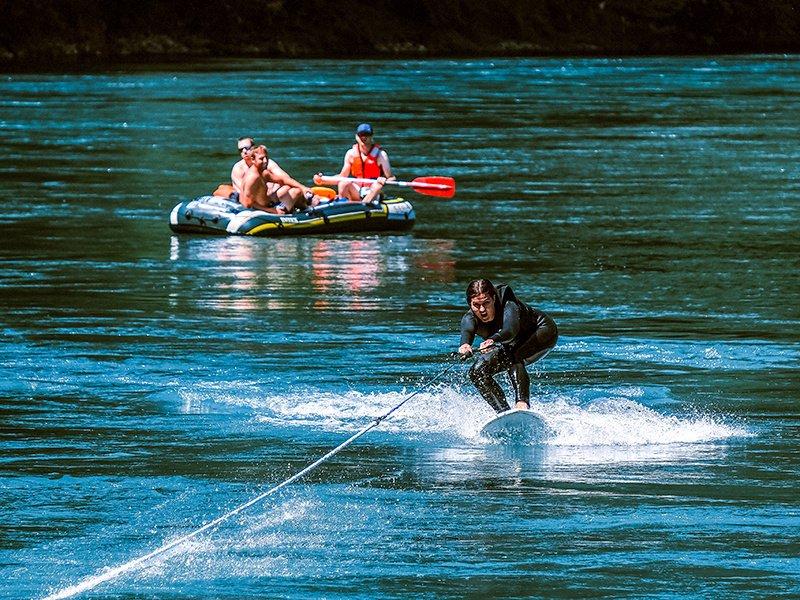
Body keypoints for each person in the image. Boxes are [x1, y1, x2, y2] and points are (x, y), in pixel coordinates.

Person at [458, 279, 558, 414]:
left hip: (541, 331)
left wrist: (492, 340)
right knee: (477, 372)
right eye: (476, 305)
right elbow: (467, 332)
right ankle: (504, 413)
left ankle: (522, 404)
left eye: (486, 303)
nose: (482, 310)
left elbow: (510, 331)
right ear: (470, 304)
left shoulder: (509, 305)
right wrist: (465, 346)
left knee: (512, 354)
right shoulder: (469, 318)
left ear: (493, 298)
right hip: (509, 343)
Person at [232, 137, 323, 212]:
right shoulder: (248, 174)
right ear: (253, 159)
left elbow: (284, 179)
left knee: (293, 190)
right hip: (261, 207)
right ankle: (306, 206)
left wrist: (304, 188)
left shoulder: (263, 169)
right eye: (240, 150)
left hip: (270, 201)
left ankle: (307, 203)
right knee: (293, 192)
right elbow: (246, 202)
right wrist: (272, 210)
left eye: (247, 148)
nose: (244, 151)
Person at [336, 123, 395, 204]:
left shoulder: (381, 155)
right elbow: (342, 177)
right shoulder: (351, 154)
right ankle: (342, 206)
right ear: (356, 137)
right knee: (343, 183)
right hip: (356, 190)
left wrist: (384, 179)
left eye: (367, 135)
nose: (364, 137)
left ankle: (364, 206)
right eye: (361, 135)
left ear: (371, 136)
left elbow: (391, 178)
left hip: (372, 190)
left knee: (377, 186)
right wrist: (322, 180)